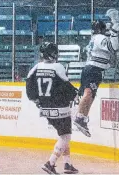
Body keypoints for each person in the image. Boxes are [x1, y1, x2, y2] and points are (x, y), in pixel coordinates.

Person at [26, 42, 79, 174]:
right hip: (60, 107)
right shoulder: (58, 67)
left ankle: (67, 164)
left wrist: (36, 100)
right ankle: (50, 163)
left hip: (45, 108)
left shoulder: (35, 67)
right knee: (66, 136)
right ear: (53, 54)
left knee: (63, 134)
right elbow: (67, 87)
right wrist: (76, 95)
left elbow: (29, 88)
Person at [73, 9, 119, 137]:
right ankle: (79, 117)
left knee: (90, 95)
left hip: (90, 69)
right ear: (101, 29)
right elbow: (113, 48)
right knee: (89, 93)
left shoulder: (94, 38)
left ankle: (82, 118)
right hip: (93, 69)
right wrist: (115, 31)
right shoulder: (100, 38)